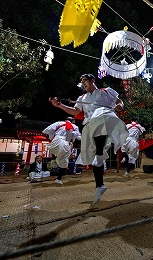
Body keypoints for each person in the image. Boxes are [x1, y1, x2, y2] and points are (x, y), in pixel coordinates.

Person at [49, 73, 128, 206]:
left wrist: (120, 105)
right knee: (95, 159)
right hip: (91, 125)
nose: (83, 84)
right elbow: (75, 111)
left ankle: (99, 154)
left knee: (100, 118)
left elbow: (119, 101)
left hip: (107, 118)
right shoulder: (82, 98)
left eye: (85, 81)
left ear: (92, 80)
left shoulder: (106, 92)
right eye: (82, 82)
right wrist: (60, 105)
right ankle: (100, 186)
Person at [42, 117, 81, 185]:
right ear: (73, 121)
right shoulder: (74, 126)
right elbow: (77, 136)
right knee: (64, 162)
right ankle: (58, 177)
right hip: (64, 142)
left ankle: (54, 160)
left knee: (56, 151)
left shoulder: (59, 123)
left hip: (56, 140)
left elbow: (48, 129)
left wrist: (48, 134)